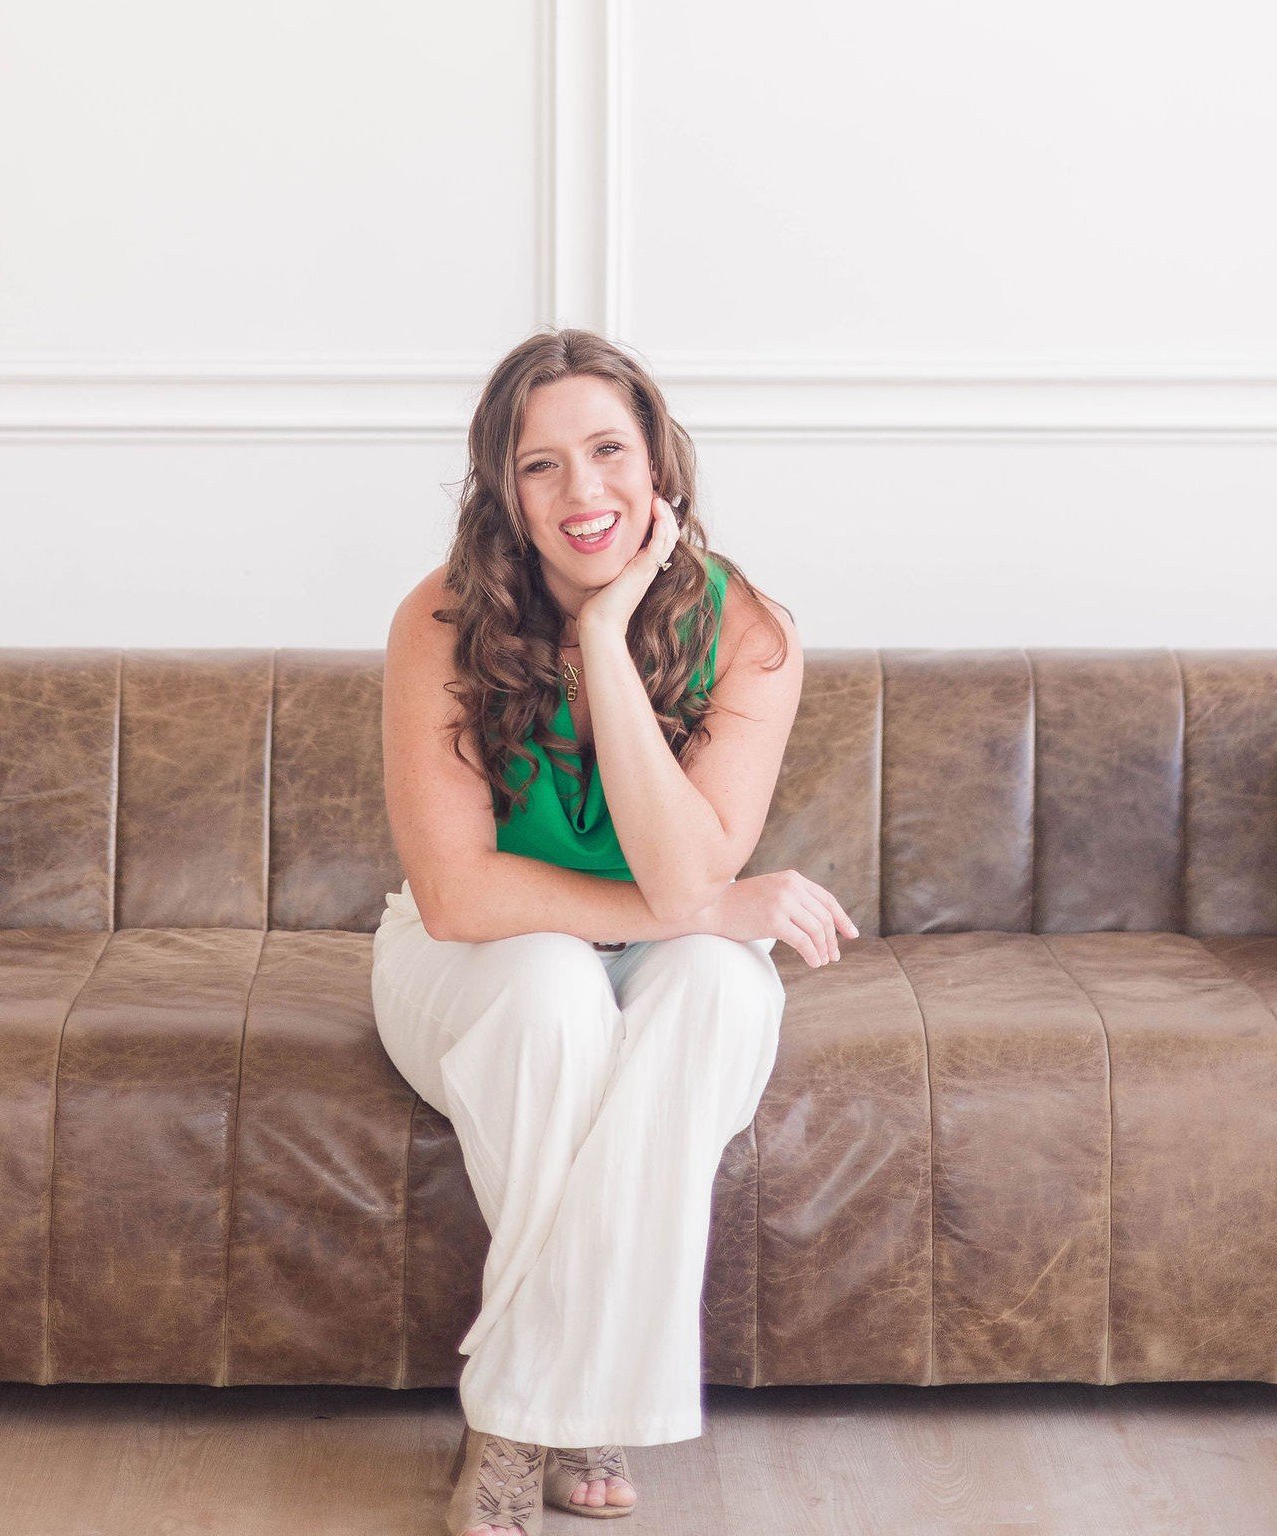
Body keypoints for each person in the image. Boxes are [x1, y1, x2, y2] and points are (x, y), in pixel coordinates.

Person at [372, 327, 858, 1536]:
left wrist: (604, 636)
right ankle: (575, 1402)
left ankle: (527, 1409)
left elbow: (689, 872)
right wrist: (702, 908)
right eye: (542, 466)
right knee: (547, 988)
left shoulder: (748, 634)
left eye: (606, 452)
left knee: (716, 988)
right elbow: (460, 899)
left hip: (665, 947)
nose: (582, 492)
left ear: (658, 466)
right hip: (473, 961)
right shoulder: (437, 622)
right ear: (504, 488)